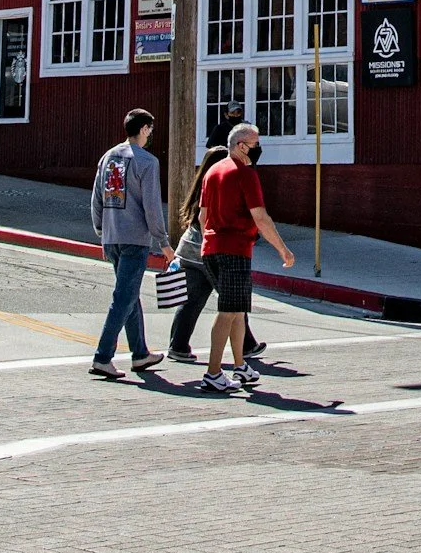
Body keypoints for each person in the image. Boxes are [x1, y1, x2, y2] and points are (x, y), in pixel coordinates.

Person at [195, 124, 296, 393]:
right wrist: (283, 249)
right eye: (255, 143)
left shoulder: (212, 172)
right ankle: (213, 373)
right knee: (228, 312)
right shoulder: (246, 174)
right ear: (241, 145)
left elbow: (202, 217)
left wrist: (211, 238)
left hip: (211, 249)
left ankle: (240, 366)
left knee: (238, 309)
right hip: (235, 249)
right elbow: (260, 217)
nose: (258, 148)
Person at [167, 144, 269, 366]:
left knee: (192, 301)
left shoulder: (201, 184)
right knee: (235, 298)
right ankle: (246, 346)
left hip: (189, 251)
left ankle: (178, 346)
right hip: (210, 251)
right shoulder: (220, 185)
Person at [87, 109, 168, 380]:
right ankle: (102, 357)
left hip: (112, 235)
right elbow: (152, 206)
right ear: (144, 129)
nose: (150, 136)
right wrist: (163, 241)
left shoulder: (108, 157)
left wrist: (101, 229)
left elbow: (97, 197)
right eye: (150, 131)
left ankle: (140, 352)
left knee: (129, 294)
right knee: (123, 297)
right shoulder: (148, 162)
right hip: (135, 238)